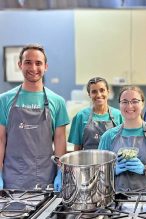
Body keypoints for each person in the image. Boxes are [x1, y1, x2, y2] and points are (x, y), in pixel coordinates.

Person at [0, 44, 69, 191]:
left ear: (46, 67)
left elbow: (60, 140)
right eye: (28, 62)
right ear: (20, 65)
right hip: (12, 179)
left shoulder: (57, 102)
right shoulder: (4, 100)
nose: (33, 68)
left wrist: (61, 173)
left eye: (38, 63)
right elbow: (0, 140)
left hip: (46, 178)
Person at [98, 86, 146, 192]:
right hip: (116, 199)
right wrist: (112, 170)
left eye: (135, 101)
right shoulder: (108, 137)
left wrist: (144, 168)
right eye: (124, 102)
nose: (129, 106)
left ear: (143, 104)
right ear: (119, 105)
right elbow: (98, 171)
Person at [68, 77, 123, 150]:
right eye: (94, 92)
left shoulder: (118, 115)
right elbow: (77, 149)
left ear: (108, 92)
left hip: (112, 160)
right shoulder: (81, 116)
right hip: (88, 160)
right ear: (89, 94)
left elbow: (123, 145)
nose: (99, 95)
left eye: (102, 90)